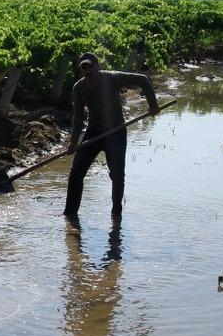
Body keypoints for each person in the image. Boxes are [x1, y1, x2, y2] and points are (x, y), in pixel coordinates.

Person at [63, 52, 160, 220]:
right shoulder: (79, 88)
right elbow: (78, 117)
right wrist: (73, 142)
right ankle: (70, 214)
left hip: (116, 131)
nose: (88, 73)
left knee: (117, 174)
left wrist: (153, 105)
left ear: (98, 66)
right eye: (84, 70)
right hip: (93, 132)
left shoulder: (113, 78)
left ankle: (116, 213)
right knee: (76, 173)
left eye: (91, 68)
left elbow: (143, 80)